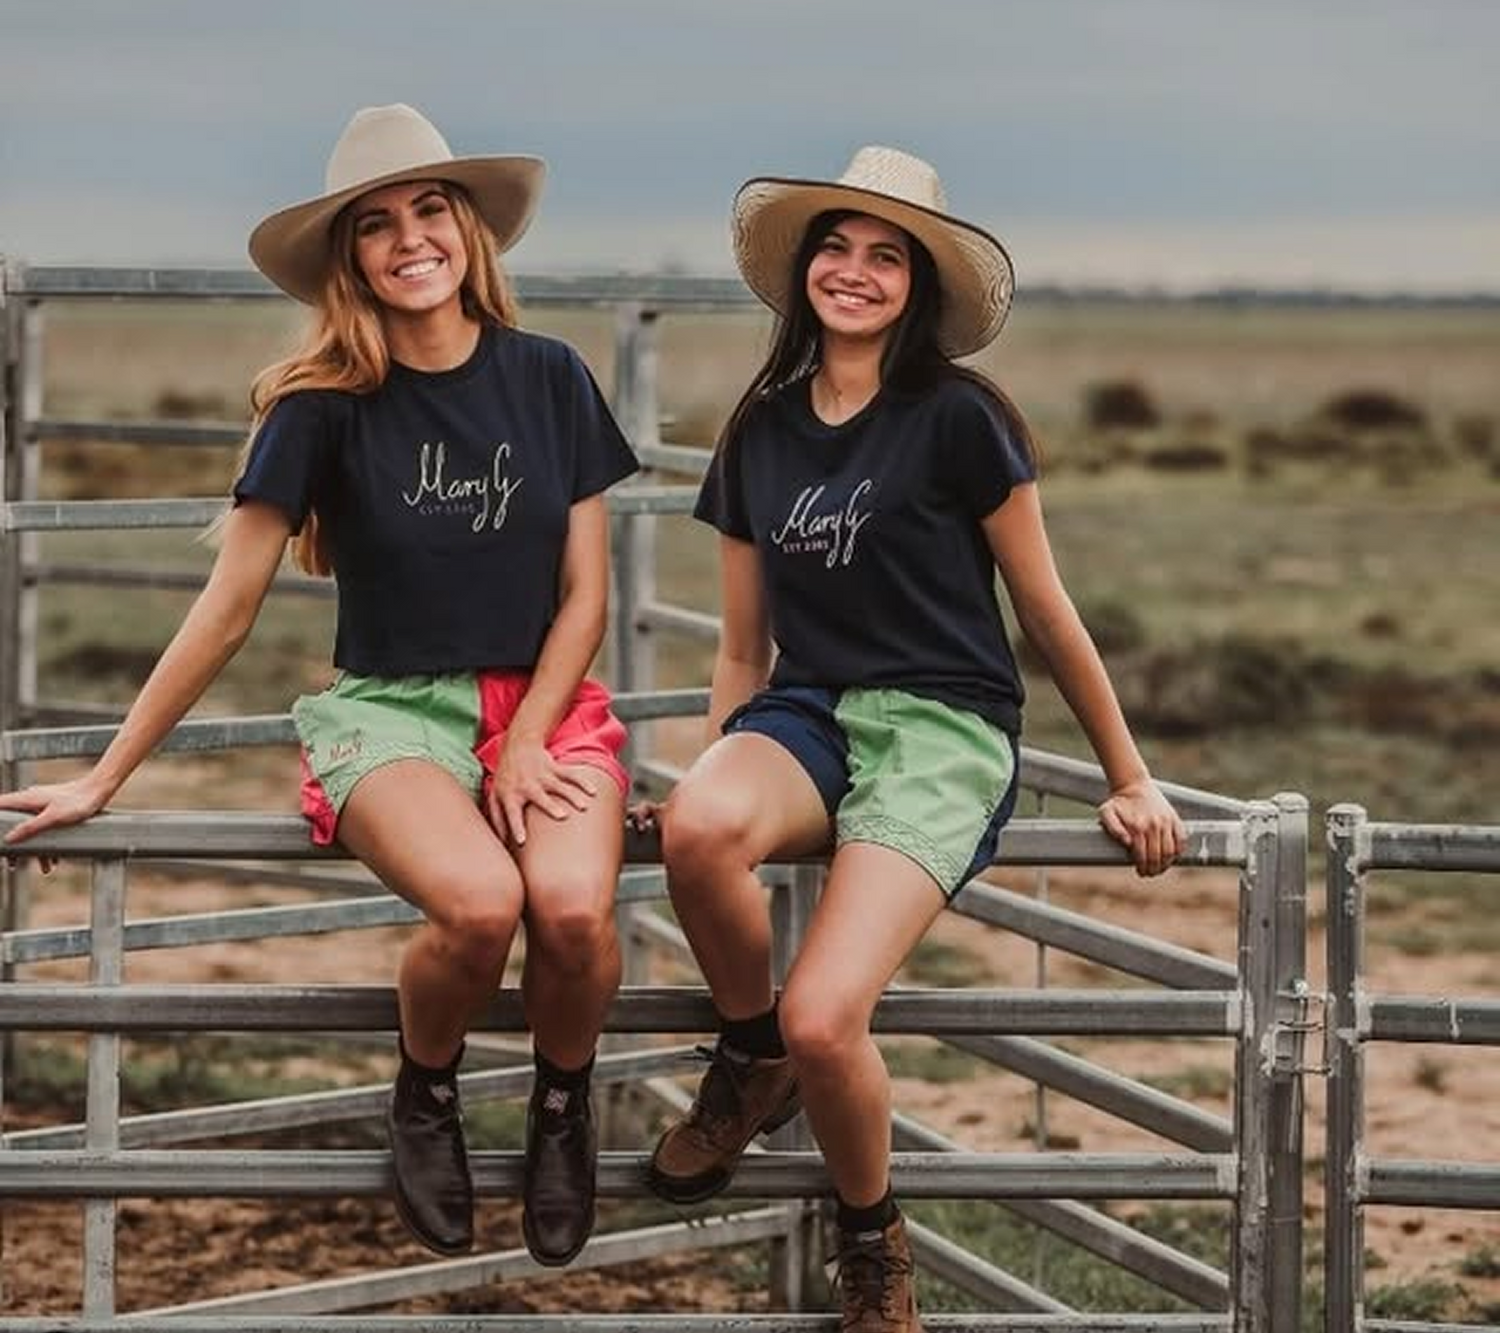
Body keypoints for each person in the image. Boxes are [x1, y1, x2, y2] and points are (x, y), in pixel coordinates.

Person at [0, 103, 639, 1267]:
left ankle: (561, 1106)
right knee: (481, 906)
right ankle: (427, 1088)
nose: (409, 239)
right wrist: (103, 774)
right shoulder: (319, 405)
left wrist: (529, 738)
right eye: (375, 224)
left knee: (574, 913)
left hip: (540, 708)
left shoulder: (551, 377)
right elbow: (227, 607)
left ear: (469, 228)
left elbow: (588, 595)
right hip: (389, 710)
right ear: (349, 256)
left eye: (430, 209)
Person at [643, 147, 1186, 1331]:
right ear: (804, 271)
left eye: (885, 256)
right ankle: (749, 1057)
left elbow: (1043, 606)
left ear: (918, 286)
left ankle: (872, 1239)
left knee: (827, 1016)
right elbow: (741, 647)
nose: (854, 270)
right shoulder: (761, 431)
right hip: (811, 710)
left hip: (943, 724)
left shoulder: (960, 420)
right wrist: (716, 758)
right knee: (696, 827)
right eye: (835, 248)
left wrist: (1130, 774)